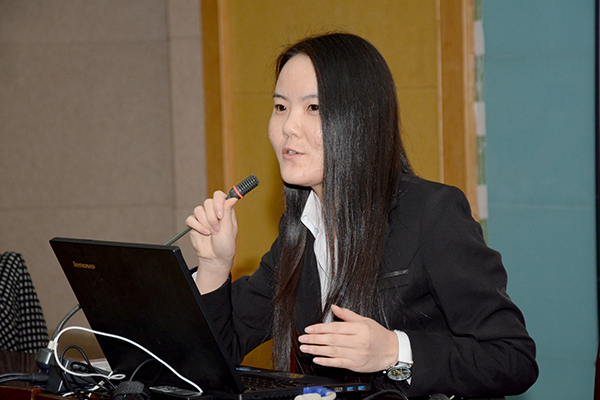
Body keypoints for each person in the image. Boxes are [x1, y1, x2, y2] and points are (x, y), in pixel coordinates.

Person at [185, 32, 538, 399]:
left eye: (313, 108)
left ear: (361, 120)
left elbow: (513, 359)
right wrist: (214, 265)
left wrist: (393, 350)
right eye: (280, 107)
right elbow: (213, 358)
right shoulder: (299, 228)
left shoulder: (431, 212)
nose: (288, 127)